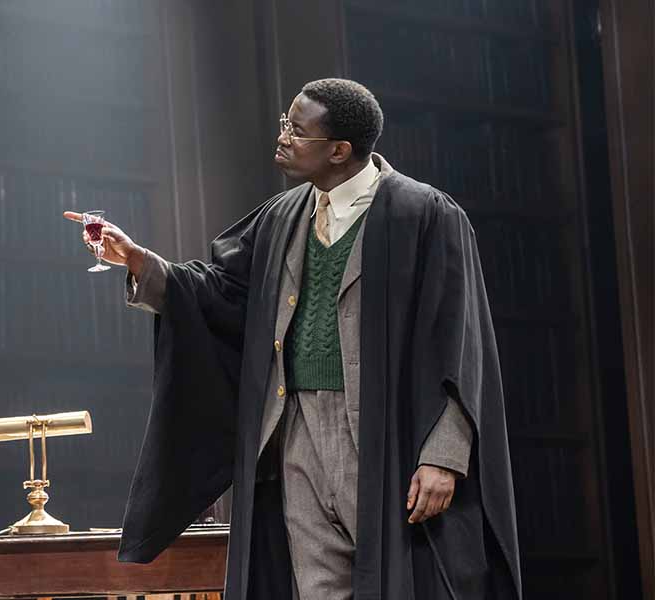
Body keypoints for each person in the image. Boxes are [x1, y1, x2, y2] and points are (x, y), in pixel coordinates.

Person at [65, 78, 520, 599]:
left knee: (395, 582)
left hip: (386, 435)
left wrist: (444, 455)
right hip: (295, 432)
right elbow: (225, 293)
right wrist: (141, 262)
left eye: (296, 131)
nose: (282, 137)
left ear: (339, 150)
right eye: (285, 123)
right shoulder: (283, 215)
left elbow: (463, 341)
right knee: (315, 589)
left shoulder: (425, 215)